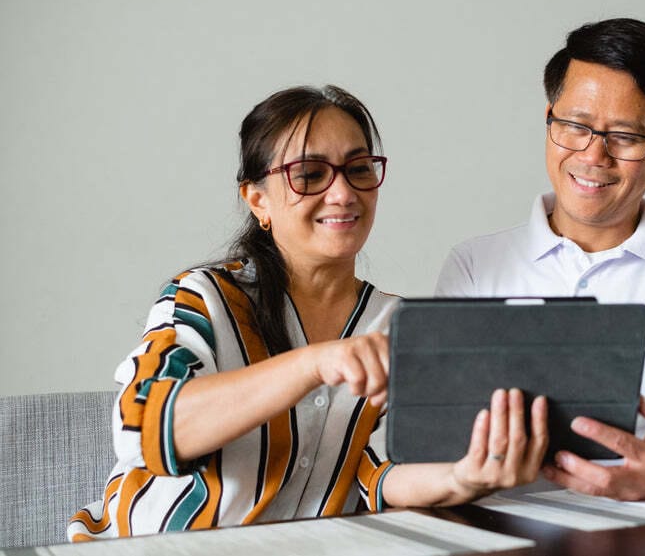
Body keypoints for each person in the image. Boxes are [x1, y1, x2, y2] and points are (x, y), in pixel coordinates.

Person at [68, 85, 548, 541]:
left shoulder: (396, 323)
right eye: (310, 174)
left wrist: (464, 477)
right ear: (258, 200)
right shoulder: (204, 297)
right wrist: (313, 364)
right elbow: (147, 427)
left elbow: (377, 476)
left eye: (359, 168)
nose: (342, 193)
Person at [435, 18, 645, 501]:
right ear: (550, 120)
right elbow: (443, 427)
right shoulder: (474, 265)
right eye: (574, 126)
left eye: (625, 137)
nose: (593, 155)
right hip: (506, 532)